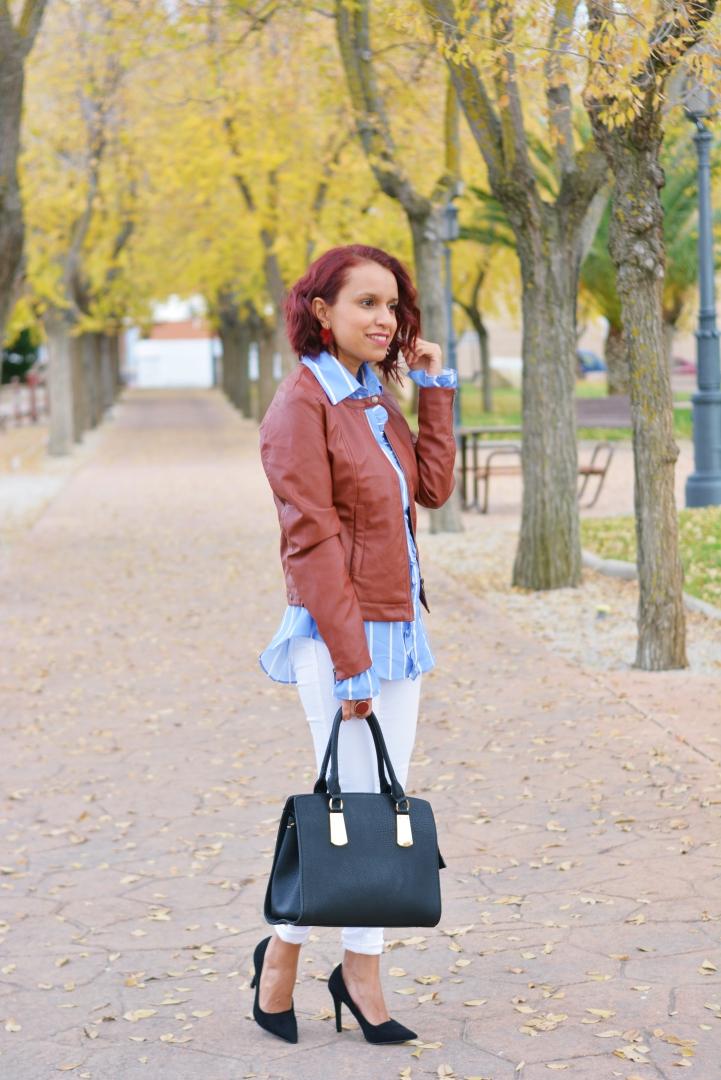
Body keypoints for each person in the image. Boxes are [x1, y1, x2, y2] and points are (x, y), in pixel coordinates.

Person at [252, 244, 457, 1045]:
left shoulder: (372, 397)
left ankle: (311, 963)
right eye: (366, 303)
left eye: (392, 305)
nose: (385, 319)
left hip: (397, 625)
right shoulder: (299, 407)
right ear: (321, 311)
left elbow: (430, 489)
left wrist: (432, 389)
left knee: (376, 807)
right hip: (341, 633)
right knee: (353, 805)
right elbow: (309, 544)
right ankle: (319, 968)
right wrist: (350, 662)